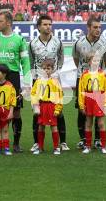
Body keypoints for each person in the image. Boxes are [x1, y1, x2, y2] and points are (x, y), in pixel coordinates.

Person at [0, 10, 31, 153]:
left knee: (15, 113)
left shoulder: (19, 40)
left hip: (13, 78)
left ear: (8, 22)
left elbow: (26, 62)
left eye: (0, 21)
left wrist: (27, 82)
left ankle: (16, 144)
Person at [28, 14, 69, 153]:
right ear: (39, 27)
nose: (48, 27)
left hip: (54, 80)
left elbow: (61, 57)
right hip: (39, 80)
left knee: (58, 111)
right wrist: (36, 78)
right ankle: (36, 143)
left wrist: (56, 73)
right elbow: (31, 61)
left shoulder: (57, 42)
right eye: (45, 24)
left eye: (50, 24)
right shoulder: (33, 43)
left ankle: (62, 142)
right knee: (37, 112)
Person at [72, 15, 106, 150]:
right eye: (95, 27)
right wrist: (84, 71)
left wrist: (100, 70)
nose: (98, 30)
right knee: (82, 109)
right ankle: (84, 139)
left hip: (98, 80)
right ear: (88, 28)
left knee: (98, 110)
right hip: (83, 78)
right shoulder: (79, 43)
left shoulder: (104, 43)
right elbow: (76, 59)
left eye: (100, 27)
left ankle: (97, 139)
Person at [78, 55, 106, 154]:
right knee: (88, 123)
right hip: (88, 99)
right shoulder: (84, 75)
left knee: (101, 123)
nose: (96, 62)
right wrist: (81, 105)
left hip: (99, 98)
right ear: (89, 62)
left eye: (97, 60)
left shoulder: (103, 74)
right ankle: (88, 146)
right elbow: (81, 90)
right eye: (94, 60)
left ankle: (104, 146)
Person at [31, 59, 63, 155]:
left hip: (51, 106)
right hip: (42, 106)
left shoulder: (55, 82)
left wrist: (58, 109)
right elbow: (33, 94)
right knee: (41, 126)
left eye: (48, 68)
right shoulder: (38, 81)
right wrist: (35, 106)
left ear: (52, 70)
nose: (45, 70)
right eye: (44, 68)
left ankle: (56, 147)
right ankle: (40, 147)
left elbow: (59, 96)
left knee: (54, 126)